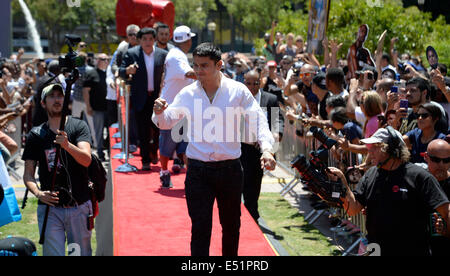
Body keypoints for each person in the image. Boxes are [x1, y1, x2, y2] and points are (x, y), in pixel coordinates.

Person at [151, 43, 276, 256]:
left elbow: (258, 120)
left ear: (219, 65)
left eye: (204, 66)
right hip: (198, 171)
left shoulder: (238, 91)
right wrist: (159, 112)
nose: (198, 71)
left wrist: (266, 149)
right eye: (196, 65)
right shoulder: (188, 93)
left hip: (230, 170)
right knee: (200, 228)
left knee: (231, 227)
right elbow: (166, 122)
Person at [328, 127, 450, 256]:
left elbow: (446, 211)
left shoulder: (419, 176)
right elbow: (353, 209)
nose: (369, 150)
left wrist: (445, 231)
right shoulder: (371, 174)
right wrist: (342, 182)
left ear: (391, 149)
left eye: (375, 146)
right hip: (376, 249)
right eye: (369, 146)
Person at [22, 84, 93, 256]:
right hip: (50, 209)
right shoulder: (36, 135)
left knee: (79, 253)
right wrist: (39, 194)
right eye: (52, 96)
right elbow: (28, 174)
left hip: (78, 205)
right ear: (43, 103)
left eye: (60, 95)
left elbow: (86, 159)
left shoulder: (78, 127)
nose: (57, 99)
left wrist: (68, 146)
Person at [119, 27, 168, 171]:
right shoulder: (131, 53)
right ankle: (145, 159)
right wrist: (128, 70)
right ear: (139, 40)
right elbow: (121, 71)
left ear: (154, 40)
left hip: (157, 97)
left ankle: (154, 152)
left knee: (158, 128)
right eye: (144, 39)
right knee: (143, 130)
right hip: (140, 97)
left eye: (150, 39)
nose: (148, 42)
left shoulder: (163, 54)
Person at [241, 70, 284, 221]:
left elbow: (277, 120)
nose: (252, 87)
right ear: (243, 82)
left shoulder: (270, 99)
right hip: (239, 149)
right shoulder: (237, 98)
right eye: (248, 83)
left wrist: (277, 133)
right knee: (239, 183)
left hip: (258, 151)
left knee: (253, 185)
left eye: (256, 83)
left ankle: (252, 214)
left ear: (261, 83)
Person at [158, 25, 197, 187]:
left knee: (186, 144)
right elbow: (189, 74)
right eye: (190, 39)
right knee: (167, 144)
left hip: (181, 107)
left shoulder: (178, 54)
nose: (191, 42)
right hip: (171, 107)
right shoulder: (176, 56)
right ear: (187, 40)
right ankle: (164, 172)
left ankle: (191, 176)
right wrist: (211, 74)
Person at [424, 139, 450, 255]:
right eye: (436, 160)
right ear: (426, 157)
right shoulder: (418, 181)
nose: (441, 165)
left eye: (446, 161)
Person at [83, 53, 109, 161]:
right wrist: (88, 106)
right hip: (97, 108)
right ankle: (100, 152)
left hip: (109, 107)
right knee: (99, 131)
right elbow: (85, 90)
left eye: (108, 59)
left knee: (110, 131)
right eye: (104, 59)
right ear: (98, 60)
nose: (106, 61)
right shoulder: (92, 73)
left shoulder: (108, 73)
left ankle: (108, 150)